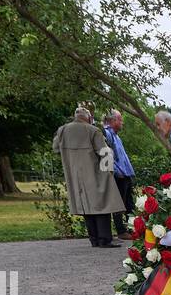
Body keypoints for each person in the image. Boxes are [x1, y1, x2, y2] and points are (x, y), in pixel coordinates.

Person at [52, 106, 125, 248]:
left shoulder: (62, 130)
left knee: (86, 206)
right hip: (94, 172)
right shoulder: (92, 130)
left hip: (74, 174)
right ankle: (105, 239)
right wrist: (108, 172)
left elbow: (56, 148)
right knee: (101, 205)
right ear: (88, 117)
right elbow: (104, 151)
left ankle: (94, 239)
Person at [102, 110, 136, 240]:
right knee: (118, 204)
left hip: (125, 174)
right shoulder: (108, 134)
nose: (122, 122)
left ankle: (132, 228)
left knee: (129, 204)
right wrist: (116, 172)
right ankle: (121, 230)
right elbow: (106, 155)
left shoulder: (117, 136)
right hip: (119, 176)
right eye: (120, 120)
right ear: (112, 121)